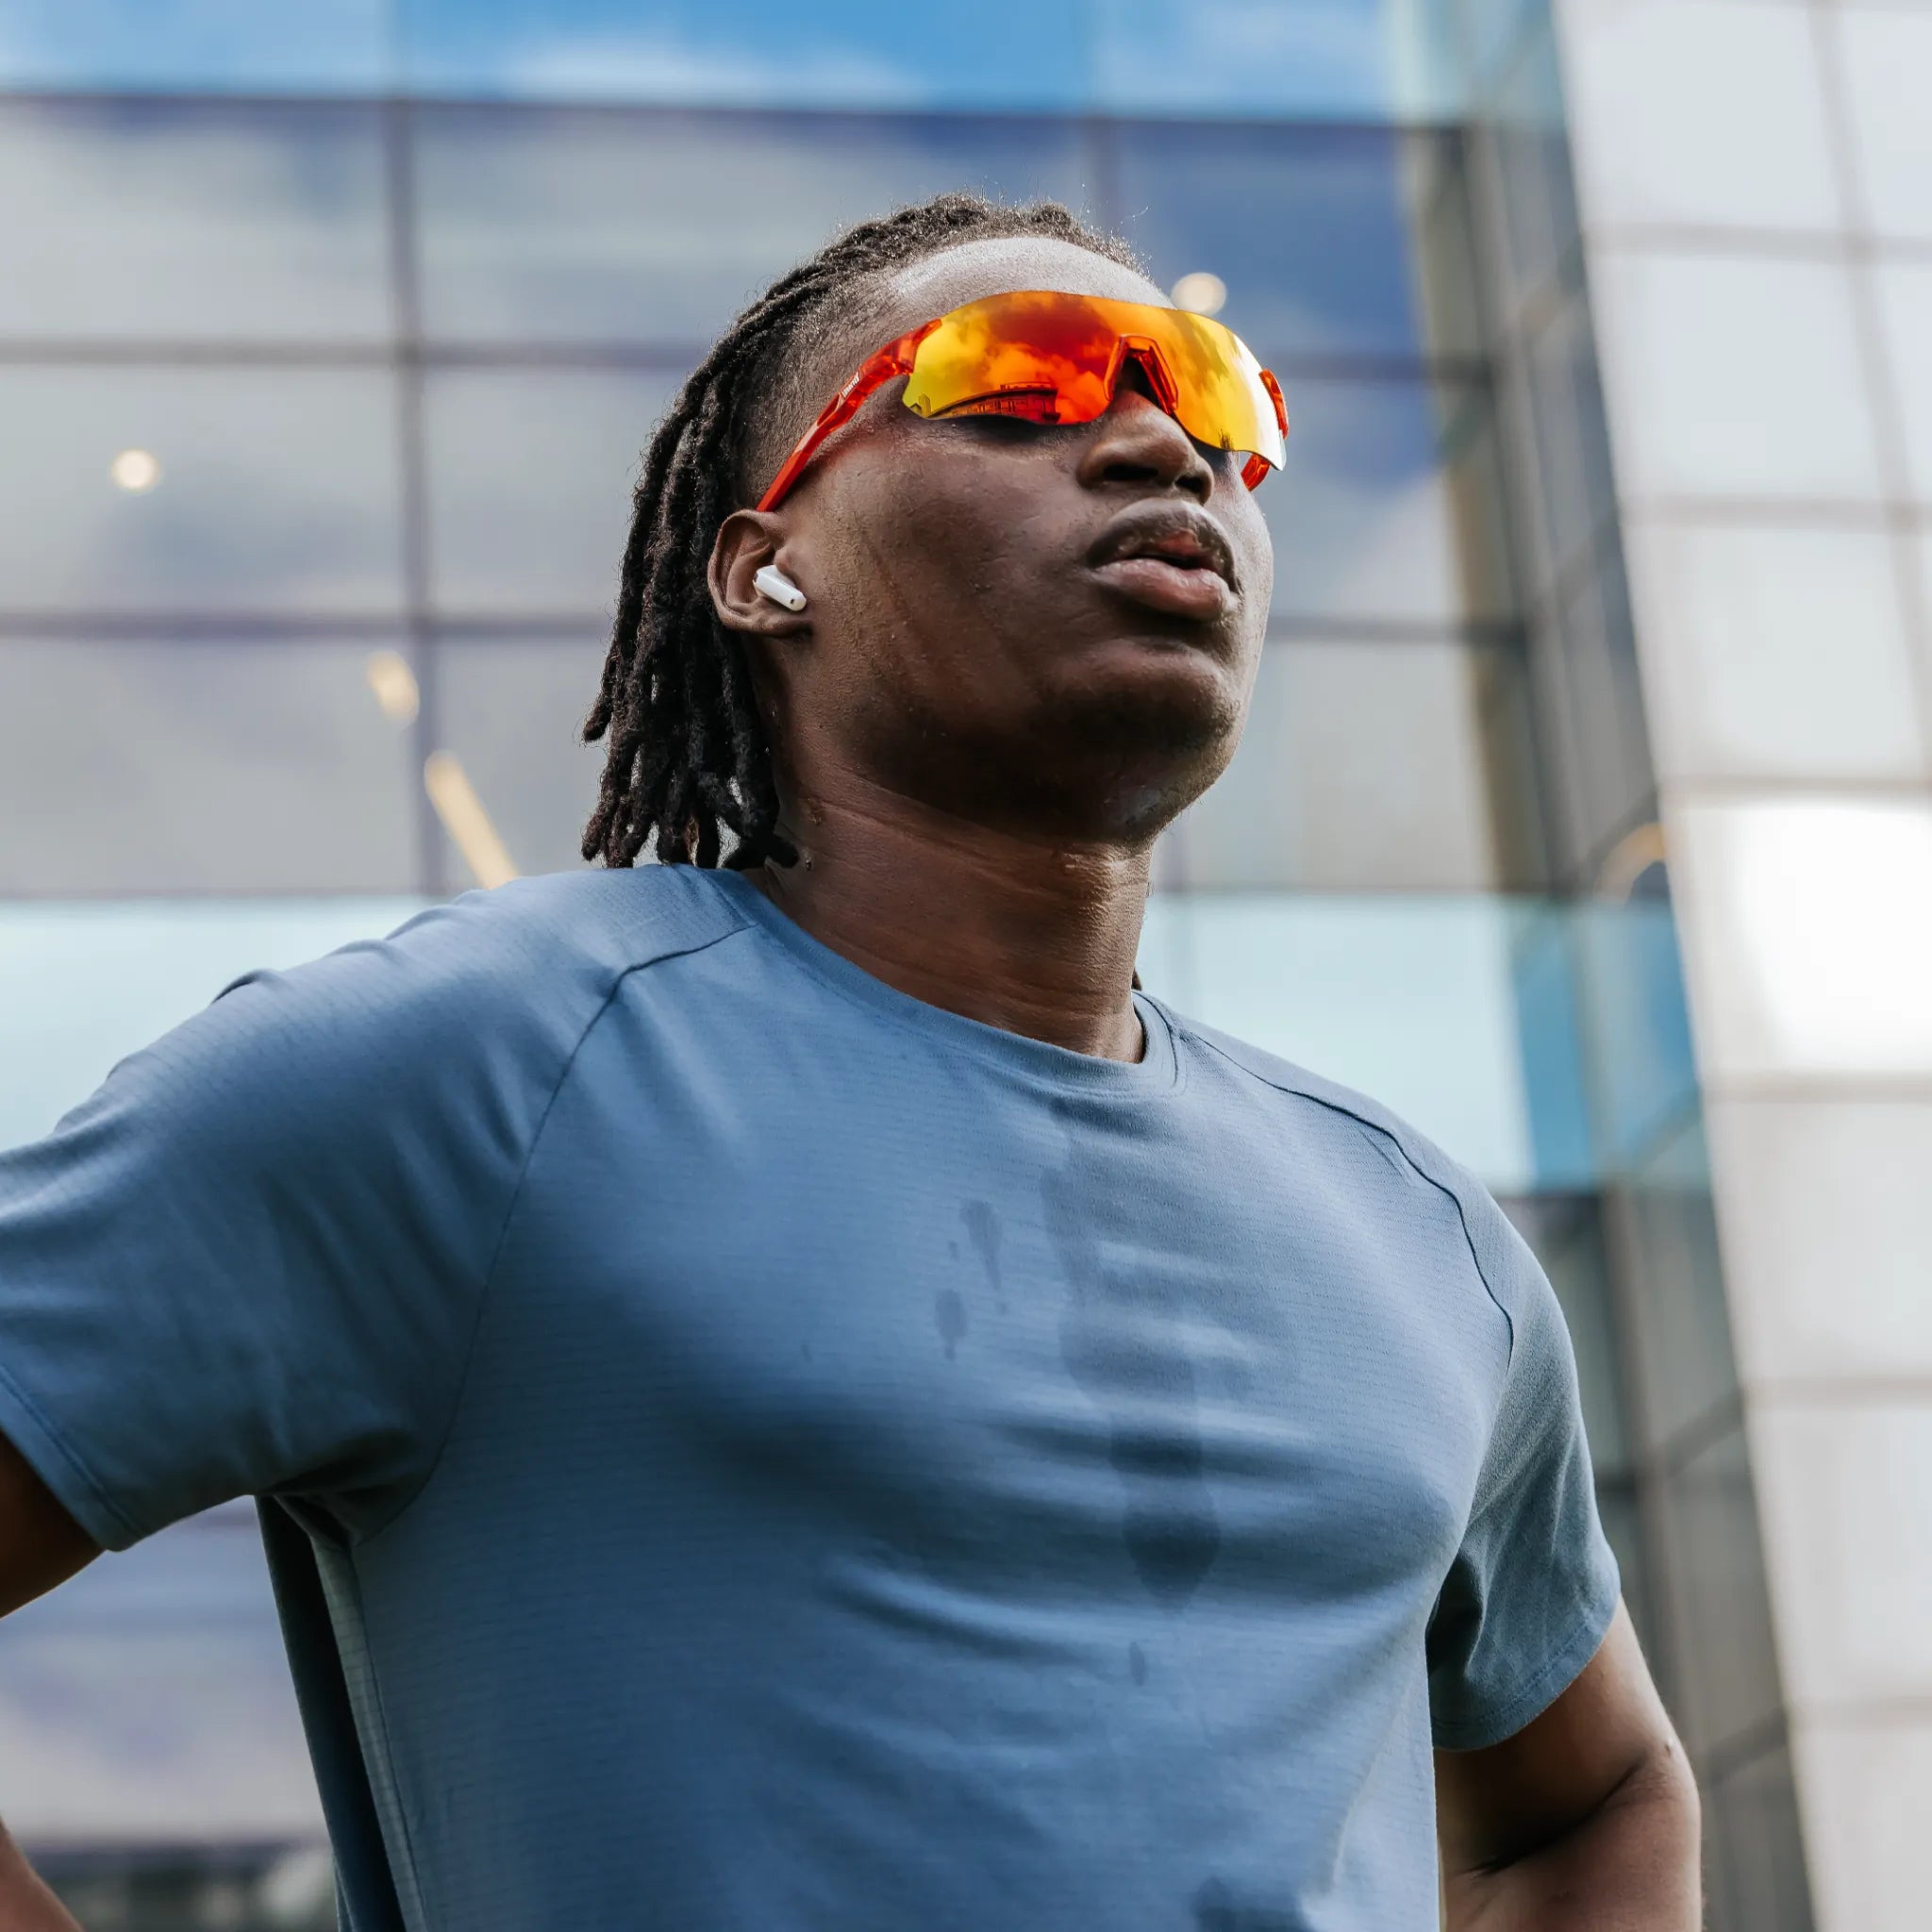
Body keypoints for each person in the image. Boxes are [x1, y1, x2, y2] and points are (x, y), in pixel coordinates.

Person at [0, 192, 1698, 1930]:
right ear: (765, 568)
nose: (1160, 447)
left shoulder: (1425, 1241)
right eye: (1019, 382)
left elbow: (1599, 1802)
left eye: (1216, 400)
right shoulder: (468, 1075)